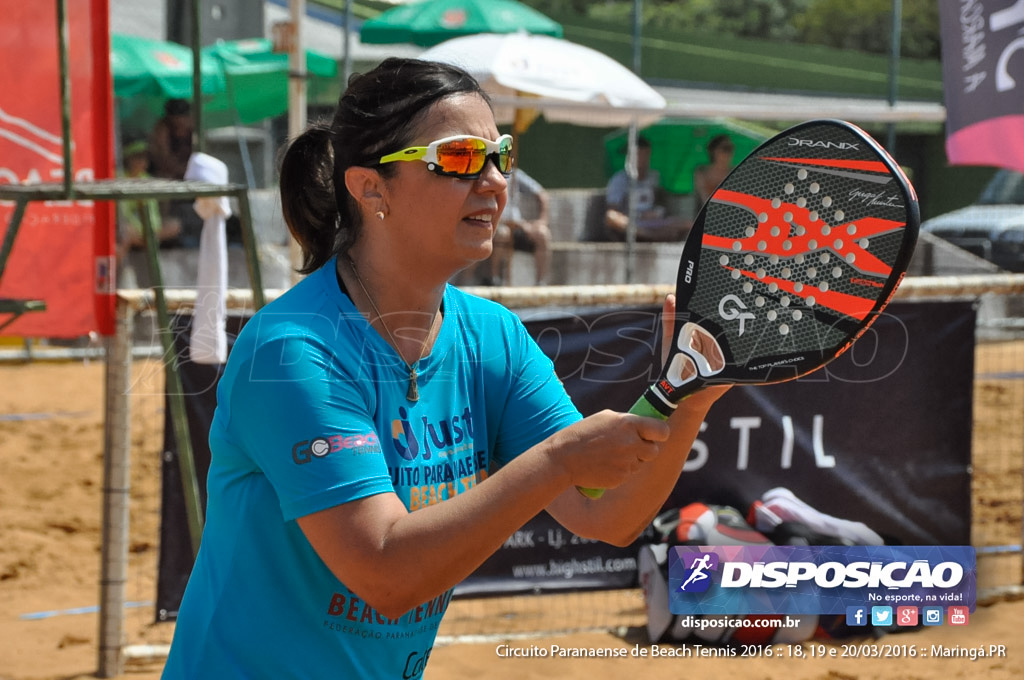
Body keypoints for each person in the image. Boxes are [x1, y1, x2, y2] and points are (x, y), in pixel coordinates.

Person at [161, 57, 727, 679]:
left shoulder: (492, 337)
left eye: (501, 155)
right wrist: (558, 460)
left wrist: (688, 398)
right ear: (369, 187)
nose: (494, 181)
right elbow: (385, 573)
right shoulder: (293, 349)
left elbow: (608, 513)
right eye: (459, 158)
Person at [604, 135, 690, 242]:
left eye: (644, 154)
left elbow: (662, 204)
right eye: (637, 155)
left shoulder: (654, 176)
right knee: (612, 218)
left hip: (655, 222)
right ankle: (649, 236)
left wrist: (657, 212)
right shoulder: (619, 180)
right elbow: (612, 211)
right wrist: (639, 216)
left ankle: (655, 235)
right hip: (631, 223)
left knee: (688, 224)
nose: (641, 159)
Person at [148, 98, 203, 247]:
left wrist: (190, 171)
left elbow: (200, 155)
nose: (181, 121)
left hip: (188, 172)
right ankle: (161, 227)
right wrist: (180, 170)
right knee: (163, 183)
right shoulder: (163, 128)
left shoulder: (193, 129)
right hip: (166, 174)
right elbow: (162, 158)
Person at [486, 167, 551, 285]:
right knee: (502, 233)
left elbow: (542, 194)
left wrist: (542, 220)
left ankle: (540, 283)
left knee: (542, 234)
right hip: (499, 225)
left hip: (519, 227)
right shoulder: (486, 175)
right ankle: (494, 279)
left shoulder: (514, 174)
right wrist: (518, 224)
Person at [693, 133, 736, 210]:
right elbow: (704, 200)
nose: (729, 153)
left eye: (731, 149)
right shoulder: (701, 172)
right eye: (725, 149)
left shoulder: (736, 173)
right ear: (714, 151)